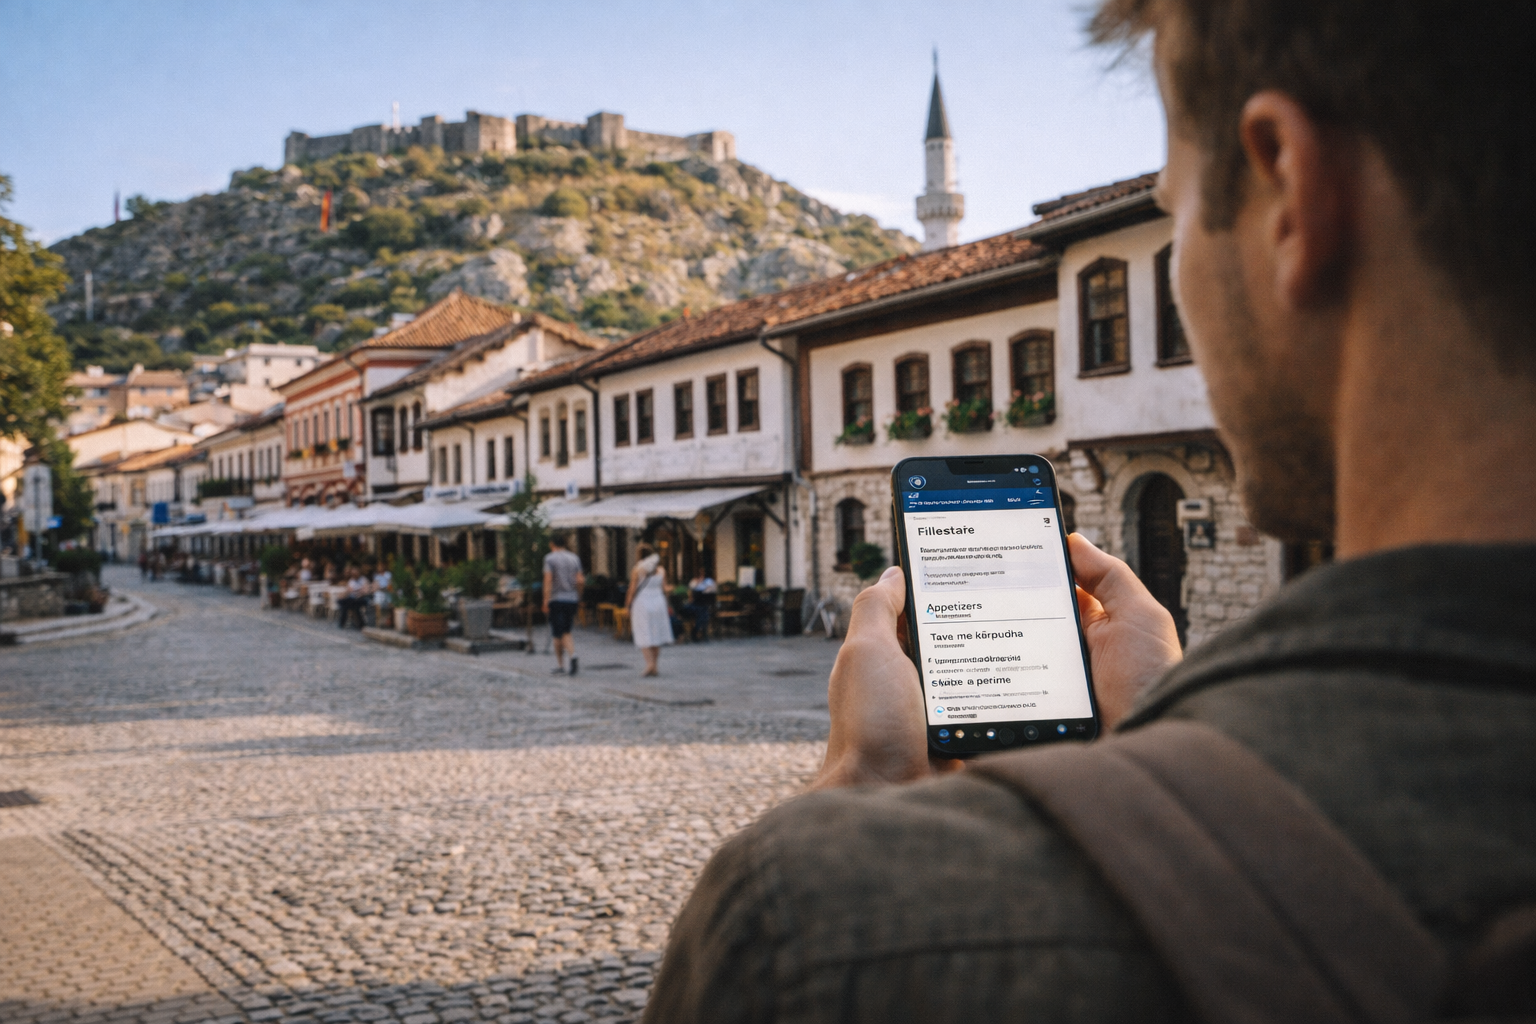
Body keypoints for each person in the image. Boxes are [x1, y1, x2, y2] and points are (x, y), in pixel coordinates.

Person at [643, 1, 1536, 1020]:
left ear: (1292, 195)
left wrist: (851, 790)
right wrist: (1163, 715)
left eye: (1181, 205)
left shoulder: (827, 929)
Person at [625, 542, 673, 676]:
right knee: (656, 633)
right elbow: (665, 589)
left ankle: (649, 664)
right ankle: (655, 666)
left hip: (642, 602)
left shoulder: (637, 569)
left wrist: (627, 606)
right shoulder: (661, 570)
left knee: (643, 633)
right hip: (658, 602)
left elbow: (632, 590)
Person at [543, 533, 585, 675]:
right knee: (566, 630)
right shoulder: (574, 558)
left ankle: (563, 663)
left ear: (552, 544)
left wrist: (545, 600)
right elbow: (580, 580)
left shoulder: (550, 558)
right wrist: (578, 596)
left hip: (556, 598)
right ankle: (569, 658)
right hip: (571, 598)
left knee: (557, 633)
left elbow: (548, 580)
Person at [681, 570, 717, 641]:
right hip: (692, 606)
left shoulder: (708, 582)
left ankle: (696, 631)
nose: (701, 577)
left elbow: (710, 593)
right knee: (703, 613)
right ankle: (700, 632)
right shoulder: (694, 582)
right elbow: (691, 596)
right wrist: (698, 583)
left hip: (701, 606)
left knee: (703, 612)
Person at [335, 565, 368, 629]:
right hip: (352, 598)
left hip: (361, 598)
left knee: (349, 605)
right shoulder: (351, 581)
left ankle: (343, 623)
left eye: (355, 573)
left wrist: (358, 593)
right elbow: (348, 590)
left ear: (358, 573)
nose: (353, 575)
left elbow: (365, 591)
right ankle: (360, 624)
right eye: (353, 573)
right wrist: (344, 594)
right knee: (345, 604)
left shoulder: (363, 579)